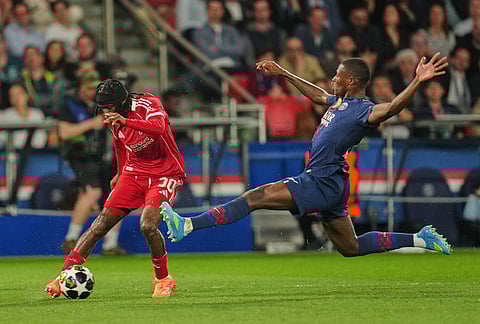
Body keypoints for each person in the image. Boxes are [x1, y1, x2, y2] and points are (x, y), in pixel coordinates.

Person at [161, 54, 453, 259]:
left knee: (254, 197)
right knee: (350, 247)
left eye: (337, 75)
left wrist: (417, 81)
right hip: (331, 181)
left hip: (322, 179)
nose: (333, 78)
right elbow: (316, 95)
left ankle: (187, 225)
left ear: (351, 79)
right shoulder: (340, 102)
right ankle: (420, 238)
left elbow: (391, 108)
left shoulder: (364, 110)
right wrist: (285, 73)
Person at [46, 79, 186, 298]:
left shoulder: (149, 104)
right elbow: (119, 142)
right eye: (102, 107)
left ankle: (163, 279)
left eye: (108, 107)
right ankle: (64, 275)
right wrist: (120, 173)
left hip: (164, 172)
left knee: (148, 226)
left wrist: (126, 122)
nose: (105, 111)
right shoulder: (113, 116)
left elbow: (159, 128)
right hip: (134, 173)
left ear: (121, 102)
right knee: (101, 223)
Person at [59, 70, 127, 257]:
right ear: (80, 87)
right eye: (88, 88)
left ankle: (110, 244)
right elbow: (64, 133)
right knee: (92, 191)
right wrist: (91, 124)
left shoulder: (104, 103)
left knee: (119, 193)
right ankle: (71, 238)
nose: (91, 92)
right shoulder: (70, 104)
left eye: (94, 88)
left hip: (103, 157)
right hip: (79, 155)